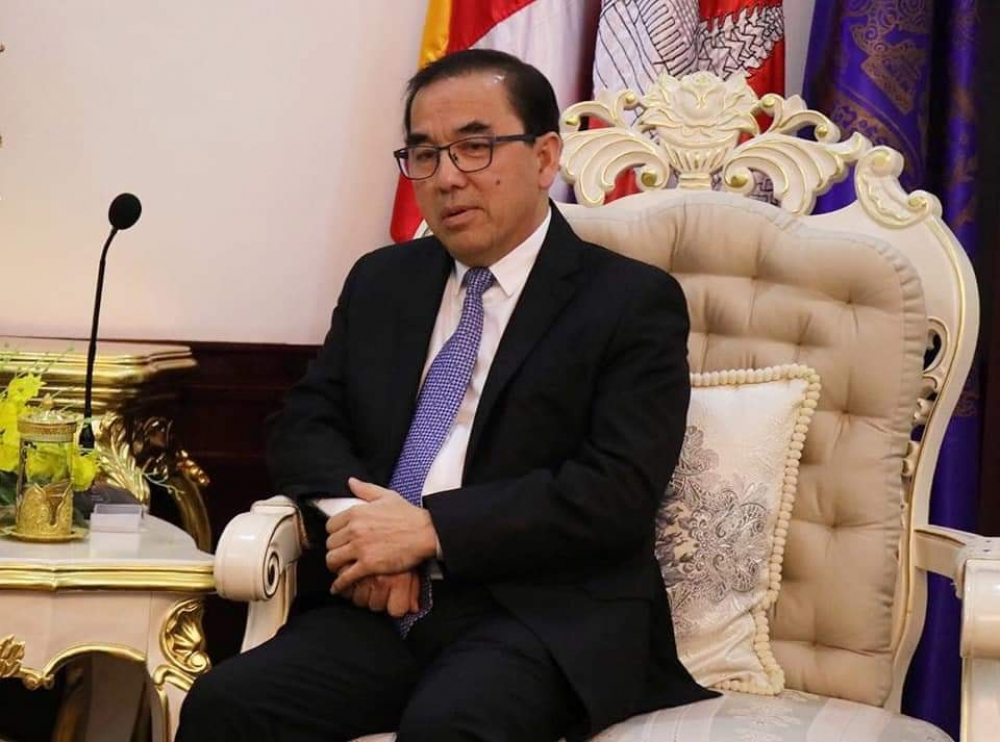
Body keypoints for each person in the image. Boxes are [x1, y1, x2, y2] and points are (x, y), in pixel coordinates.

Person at [176, 49, 714, 742]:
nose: (448, 177)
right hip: (381, 604)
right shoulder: (383, 282)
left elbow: (616, 490)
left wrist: (431, 533)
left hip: (540, 614)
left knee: (450, 728)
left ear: (545, 157)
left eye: (474, 147)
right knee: (226, 704)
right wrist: (367, 534)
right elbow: (305, 424)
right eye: (424, 154)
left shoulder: (629, 301)